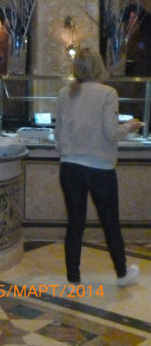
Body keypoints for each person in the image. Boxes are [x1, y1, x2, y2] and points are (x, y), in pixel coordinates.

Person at [54, 47, 143, 286]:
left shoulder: (64, 92)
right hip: (100, 168)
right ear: (99, 66)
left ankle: (73, 279)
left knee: (75, 224)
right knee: (110, 223)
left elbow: (58, 133)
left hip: (69, 167)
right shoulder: (108, 93)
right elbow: (111, 132)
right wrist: (130, 127)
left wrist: (68, 151)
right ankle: (122, 274)